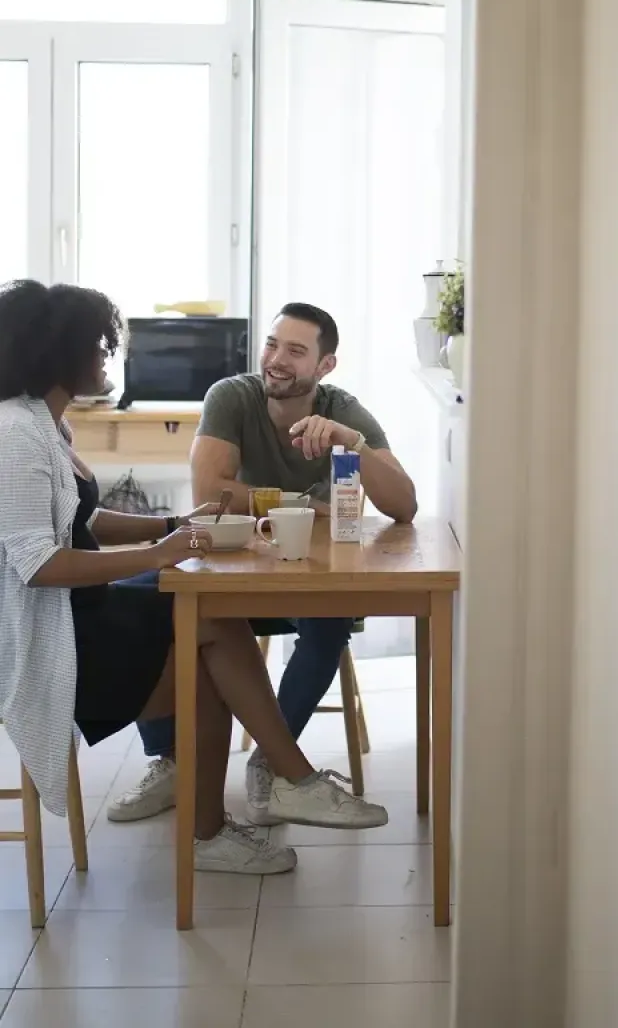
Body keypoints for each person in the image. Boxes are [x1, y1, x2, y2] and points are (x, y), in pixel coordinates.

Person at [0, 281, 389, 879]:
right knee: (206, 632)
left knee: (207, 621)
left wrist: (170, 524)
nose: (109, 358)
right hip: (50, 638)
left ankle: (246, 807)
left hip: (80, 611)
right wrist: (160, 552)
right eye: (100, 348)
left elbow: (81, 521)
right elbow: (41, 564)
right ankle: (284, 782)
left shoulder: (47, 425)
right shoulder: (14, 435)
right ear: (60, 355)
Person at [108, 301, 417, 828]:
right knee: (164, 606)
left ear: (324, 366)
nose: (276, 359)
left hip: (310, 576)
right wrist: (304, 504)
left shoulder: (343, 411)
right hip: (234, 569)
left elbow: (403, 505)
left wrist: (352, 444)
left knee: (330, 624)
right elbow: (209, 492)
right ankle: (173, 760)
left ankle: (272, 764)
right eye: (273, 345)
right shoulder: (231, 397)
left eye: (296, 351)